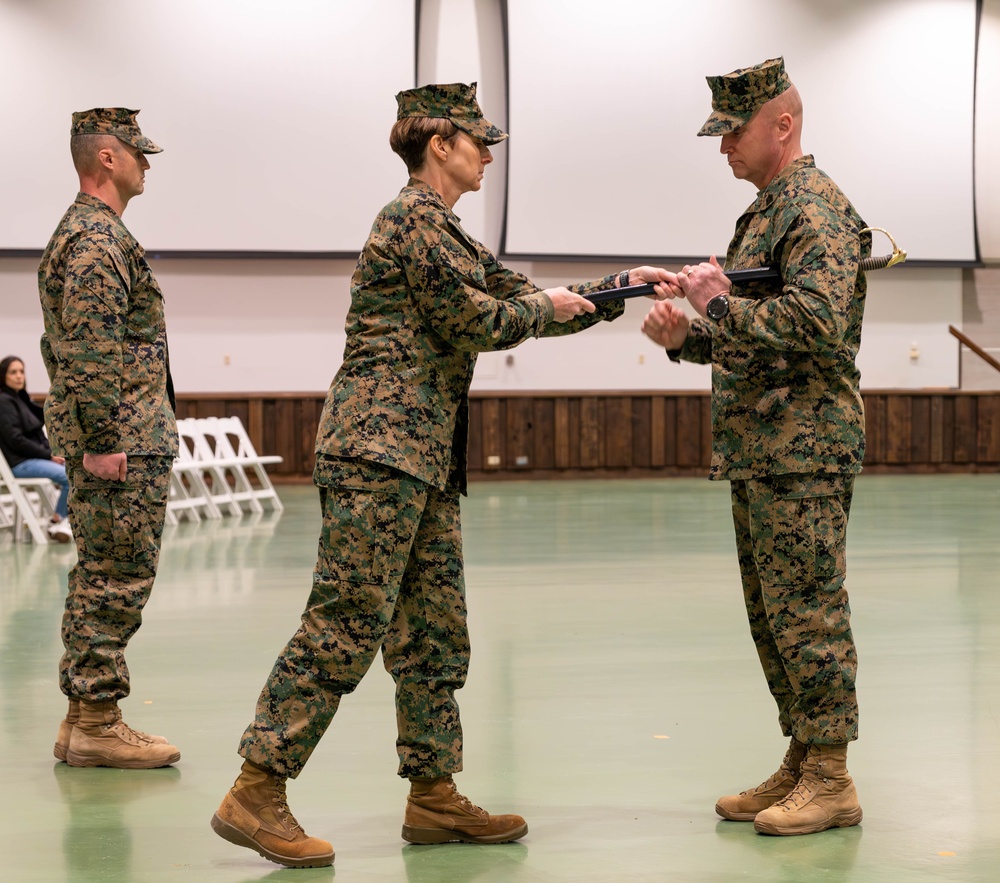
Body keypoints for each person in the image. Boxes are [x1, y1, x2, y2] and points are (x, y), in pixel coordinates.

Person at [210, 81, 673, 869]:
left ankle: (433, 796)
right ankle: (257, 785)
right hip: (379, 453)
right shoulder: (411, 222)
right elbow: (482, 318)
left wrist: (620, 287)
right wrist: (550, 309)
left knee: (432, 632)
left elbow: (518, 295)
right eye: (477, 140)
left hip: (419, 458)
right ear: (439, 146)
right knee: (348, 622)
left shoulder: (444, 231)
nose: (487, 154)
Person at [641, 57, 868, 837]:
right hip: (764, 446)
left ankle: (832, 775)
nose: (722, 147)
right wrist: (689, 335)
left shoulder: (816, 209)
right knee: (772, 614)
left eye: (732, 130)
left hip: (804, 447)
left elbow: (817, 323)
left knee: (808, 611)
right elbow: (756, 336)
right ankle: (805, 755)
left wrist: (720, 302)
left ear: (783, 124)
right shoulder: (769, 209)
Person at [38, 108, 180, 770]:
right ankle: (99, 719)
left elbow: (60, 348)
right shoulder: (97, 242)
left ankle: (79, 717)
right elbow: (91, 350)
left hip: (113, 430)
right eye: (138, 153)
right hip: (121, 437)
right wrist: (100, 436)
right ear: (107, 160)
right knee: (118, 577)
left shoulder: (85, 235)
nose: (147, 164)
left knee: (99, 574)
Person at [0, 355, 72, 542]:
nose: (19, 376)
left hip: (34, 459)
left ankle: (62, 520)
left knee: (72, 470)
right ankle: (59, 521)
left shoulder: (23, 399)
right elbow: (16, 440)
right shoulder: (3, 402)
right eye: (13, 372)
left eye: (21, 372)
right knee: (68, 477)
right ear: (3, 376)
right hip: (19, 463)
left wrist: (55, 453)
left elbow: (38, 435)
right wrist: (48, 455)